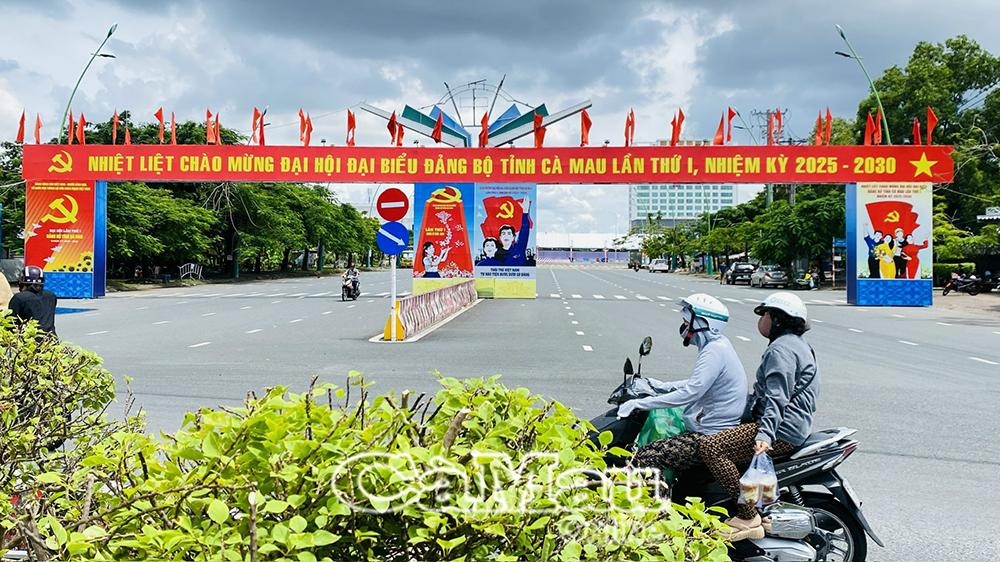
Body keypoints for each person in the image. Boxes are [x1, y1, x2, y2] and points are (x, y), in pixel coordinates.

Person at [698, 292, 818, 541]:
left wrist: (765, 435)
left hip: (781, 429)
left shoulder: (781, 350)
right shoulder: (797, 344)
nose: (761, 320)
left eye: (765, 314)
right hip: (791, 425)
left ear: (778, 319)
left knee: (711, 447)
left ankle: (748, 515)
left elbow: (777, 397)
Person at [619, 294, 748, 480]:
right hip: (708, 428)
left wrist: (641, 403)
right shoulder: (718, 345)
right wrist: (662, 386)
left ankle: (659, 499)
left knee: (645, 458)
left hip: (710, 435)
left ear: (704, 322)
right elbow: (698, 383)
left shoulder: (714, 351)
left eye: (687, 322)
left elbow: (691, 392)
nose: (684, 327)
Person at [8, 266, 58, 336]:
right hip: (51, 338)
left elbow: (11, 323)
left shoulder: (19, 298)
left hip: (28, 338)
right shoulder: (51, 296)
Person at [496, 199, 532, 266]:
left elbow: (524, 230)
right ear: (500, 237)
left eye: (509, 233)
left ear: (513, 237)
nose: (506, 236)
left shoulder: (519, 248)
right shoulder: (495, 253)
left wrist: (525, 212)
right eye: (503, 233)